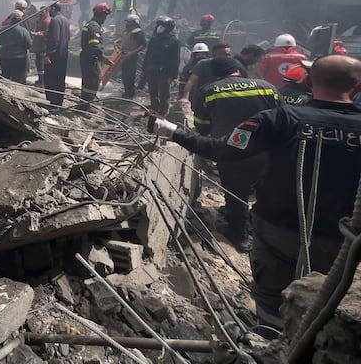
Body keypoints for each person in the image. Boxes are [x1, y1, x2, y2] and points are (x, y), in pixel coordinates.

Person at [153, 55, 361, 329]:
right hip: (344, 243)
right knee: (330, 309)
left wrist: (168, 130)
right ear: (357, 88)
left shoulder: (282, 119)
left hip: (279, 234)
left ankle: (270, 340)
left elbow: (221, 148)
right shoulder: (273, 99)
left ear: (309, 82)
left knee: (272, 308)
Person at [194, 57, 279, 251]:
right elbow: (283, 116)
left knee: (236, 193)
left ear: (216, 73)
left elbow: (202, 126)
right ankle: (264, 230)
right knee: (267, 191)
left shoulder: (208, 91)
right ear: (238, 71)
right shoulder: (267, 87)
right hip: (266, 149)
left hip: (232, 152)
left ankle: (239, 235)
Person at [141, 16, 180, 115]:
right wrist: (144, 69)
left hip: (164, 72)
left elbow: (175, 60)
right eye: (159, 25)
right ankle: (154, 108)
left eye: (161, 26)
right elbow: (148, 55)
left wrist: (173, 76)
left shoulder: (174, 41)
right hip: (152, 70)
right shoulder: (154, 39)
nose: (159, 27)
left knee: (164, 95)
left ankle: (163, 112)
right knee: (152, 92)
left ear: (168, 28)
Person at [80, 2, 112, 106]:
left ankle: (84, 103)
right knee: (93, 81)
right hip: (91, 59)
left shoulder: (89, 24)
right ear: (101, 14)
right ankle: (87, 105)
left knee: (87, 82)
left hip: (86, 57)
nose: (105, 18)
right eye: (105, 15)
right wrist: (104, 59)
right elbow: (94, 46)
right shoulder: (95, 27)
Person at [44, 3, 70, 106]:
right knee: (60, 78)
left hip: (54, 56)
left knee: (51, 79)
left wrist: (48, 54)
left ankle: (53, 102)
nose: (48, 11)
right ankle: (59, 101)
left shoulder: (54, 20)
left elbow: (55, 40)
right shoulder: (65, 19)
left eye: (49, 9)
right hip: (63, 54)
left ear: (53, 9)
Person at [0, 10, 32, 83]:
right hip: (19, 59)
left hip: (5, 58)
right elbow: (29, 45)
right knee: (18, 80)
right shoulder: (23, 31)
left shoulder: (2, 30)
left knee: (5, 79)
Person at [118, 13, 146, 99]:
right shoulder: (128, 31)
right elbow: (123, 38)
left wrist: (131, 53)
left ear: (134, 22)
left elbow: (143, 45)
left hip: (131, 57)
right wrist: (117, 41)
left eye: (128, 22)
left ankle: (130, 94)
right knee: (124, 75)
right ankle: (127, 92)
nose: (127, 24)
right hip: (123, 56)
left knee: (129, 76)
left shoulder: (138, 33)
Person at [32, 7, 50, 87]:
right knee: (38, 63)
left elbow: (47, 33)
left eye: (42, 12)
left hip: (43, 45)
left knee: (41, 63)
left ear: (46, 12)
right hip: (38, 45)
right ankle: (40, 80)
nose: (41, 13)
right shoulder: (40, 20)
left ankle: (42, 82)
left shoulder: (47, 21)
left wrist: (38, 33)